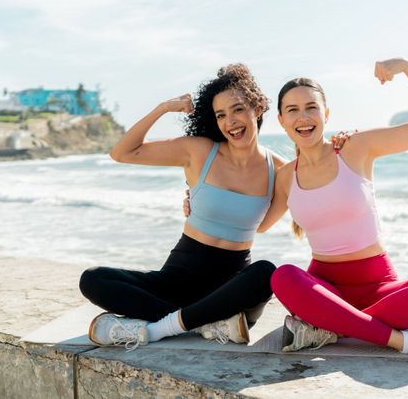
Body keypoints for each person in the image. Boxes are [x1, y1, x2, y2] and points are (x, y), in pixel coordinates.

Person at [258, 58, 408, 359]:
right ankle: (407, 342)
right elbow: (256, 224)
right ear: (282, 120)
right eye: (293, 110)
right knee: (282, 276)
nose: (303, 117)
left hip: (379, 288)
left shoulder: (355, 147)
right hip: (324, 289)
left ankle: (330, 326)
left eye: (311, 107)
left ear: (326, 113)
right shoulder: (285, 177)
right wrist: (200, 197)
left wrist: (407, 68)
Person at [79, 64, 283, 350]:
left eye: (237, 109)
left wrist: (341, 147)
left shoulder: (279, 171)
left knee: (266, 273)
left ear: (258, 107)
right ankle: (201, 325)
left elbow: (273, 220)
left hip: (229, 291)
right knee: (93, 279)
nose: (230, 122)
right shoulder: (199, 151)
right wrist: (163, 108)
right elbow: (122, 152)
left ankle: (162, 326)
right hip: (178, 279)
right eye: (221, 115)